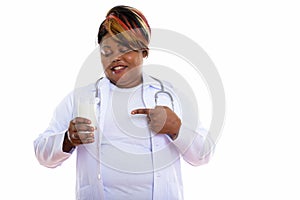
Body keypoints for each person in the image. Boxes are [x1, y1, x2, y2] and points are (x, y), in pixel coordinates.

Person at [34, 5, 212, 200]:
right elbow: (42, 155)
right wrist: (67, 139)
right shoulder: (80, 99)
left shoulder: (170, 95)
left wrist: (176, 128)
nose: (115, 58)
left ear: (143, 50)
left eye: (124, 49)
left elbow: (203, 155)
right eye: (106, 51)